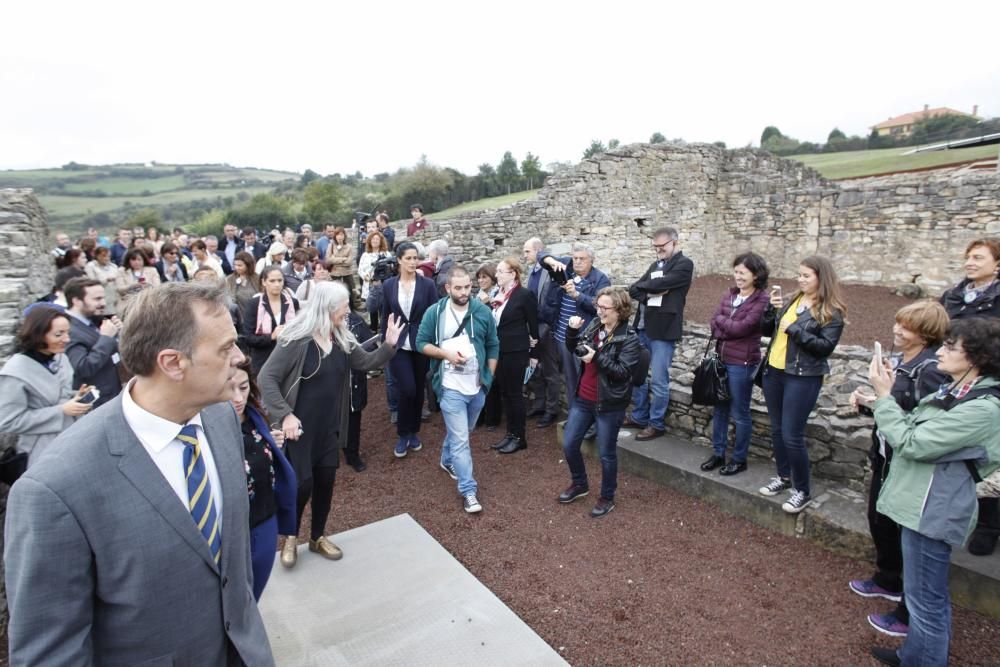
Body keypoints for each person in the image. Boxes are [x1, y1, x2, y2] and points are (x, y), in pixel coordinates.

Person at [4, 281, 274, 665]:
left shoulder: (219, 416)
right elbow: (50, 654)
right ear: (172, 363)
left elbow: (232, 565)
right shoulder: (54, 489)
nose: (239, 358)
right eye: (226, 348)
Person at [867, 317, 1000, 667]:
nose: (939, 351)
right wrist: (886, 398)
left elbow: (911, 442)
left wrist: (883, 397)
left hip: (934, 507)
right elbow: (913, 422)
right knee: (918, 591)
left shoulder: (983, 409)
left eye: (949, 347)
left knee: (927, 601)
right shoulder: (959, 391)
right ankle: (913, 654)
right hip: (923, 502)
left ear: (975, 357)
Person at [261, 282, 400, 567]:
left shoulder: (341, 339)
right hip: (299, 431)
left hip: (329, 428)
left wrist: (389, 344)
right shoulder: (296, 340)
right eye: (344, 306)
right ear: (327, 308)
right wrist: (285, 414)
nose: (348, 311)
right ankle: (290, 537)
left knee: (325, 483)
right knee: (302, 486)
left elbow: (366, 362)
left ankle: (316, 537)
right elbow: (266, 379)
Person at [848, 301, 949, 640]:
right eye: (897, 323)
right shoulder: (901, 361)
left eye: (905, 327)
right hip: (885, 453)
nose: (896, 331)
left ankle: (906, 609)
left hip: (905, 461)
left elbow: (921, 422)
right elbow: (890, 407)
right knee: (879, 518)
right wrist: (869, 402)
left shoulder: (931, 370)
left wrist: (882, 398)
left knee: (904, 531)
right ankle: (887, 578)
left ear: (926, 334)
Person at [758, 256, 847, 513]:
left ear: (822, 278)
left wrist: (794, 329)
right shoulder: (792, 300)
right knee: (776, 430)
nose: (800, 279)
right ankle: (783, 478)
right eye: (799, 275)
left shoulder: (832, 311)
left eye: (806, 276)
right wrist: (770, 311)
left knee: (791, 435)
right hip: (774, 371)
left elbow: (824, 348)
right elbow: (766, 331)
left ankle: (802, 490)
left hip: (802, 376)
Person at [416, 266, 499, 513]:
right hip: (450, 386)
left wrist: (489, 378)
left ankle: (446, 458)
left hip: (477, 387)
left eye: (468, 287)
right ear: (448, 288)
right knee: (461, 440)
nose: (464, 292)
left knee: (463, 432)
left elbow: (493, 345)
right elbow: (421, 343)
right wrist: (446, 354)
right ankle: (469, 491)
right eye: (459, 288)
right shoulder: (436, 312)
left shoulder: (482, 311)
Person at [939, 237, 1000, 557]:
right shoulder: (954, 294)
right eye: (968, 257)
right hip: (953, 378)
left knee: (985, 454)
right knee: (954, 447)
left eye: (978, 257)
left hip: (989, 379)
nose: (970, 262)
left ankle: (990, 525)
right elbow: (937, 326)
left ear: (997, 264)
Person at [558, 286, 641, 518]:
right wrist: (572, 333)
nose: (600, 311)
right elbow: (575, 348)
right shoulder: (595, 324)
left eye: (605, 307)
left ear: (620, 310)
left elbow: (623, 372)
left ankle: (607, 497)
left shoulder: (630, 338)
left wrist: (596, 356)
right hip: (583, 398)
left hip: (609, 404)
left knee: (606, 454)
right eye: (598, 306)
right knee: (569, 444)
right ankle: (580, 484)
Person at [229, 357, 296, 601]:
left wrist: (270, 444)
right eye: (229, 388)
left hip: (265, 520)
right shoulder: (202, 425)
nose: (238, 397)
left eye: (244, 388)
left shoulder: (255, 415)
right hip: (234, 530)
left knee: (254, 597)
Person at [701, 252, 770, 475]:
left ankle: (739, 459)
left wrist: (724, 323)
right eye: (736, 271)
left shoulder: (762, 300)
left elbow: (743, 328)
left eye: (743, 272)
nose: (738, 276)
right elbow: (713, 323)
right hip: (722, 359)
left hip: (743, 362)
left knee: (740, 413)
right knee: (720, 409)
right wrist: (726, 323)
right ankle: (719, 453)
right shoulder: (729, 295)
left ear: (756, 275)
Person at [0, 308, 92, 467]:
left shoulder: (60, 357)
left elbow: (58, 395)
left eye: (67, 332)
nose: (67, 339)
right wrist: (61, 411)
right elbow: (9, 421)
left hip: (73, 442)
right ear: (38, 334)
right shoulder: (14, 372)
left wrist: (77, 397)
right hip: (41, 453)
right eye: (59, 334)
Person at [627, 227, 694, 441]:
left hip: (663, 331)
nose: (658, 250)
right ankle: (639, 416)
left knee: (658, 380)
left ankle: (656, 424)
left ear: (674, 242)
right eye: (655, 246)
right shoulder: (654, 265)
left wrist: (647, 287)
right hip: (643, 328)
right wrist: (649, 292)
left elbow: (663, 283)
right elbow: (633, 289)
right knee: (637, 376)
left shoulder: (684, 264)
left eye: (662, 246)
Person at [538, 243, 611, 422]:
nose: (577, 262)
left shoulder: (600, 279)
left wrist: (577, 295)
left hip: (584, 340)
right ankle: (575, 417)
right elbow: (541, 255)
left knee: (586, 381)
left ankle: (591, 420)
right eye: (575, 258)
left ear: (591, 261)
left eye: (582, 259)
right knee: (570, 379)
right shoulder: (567, 267)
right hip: (562, 337)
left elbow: (600, 308)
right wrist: (549, 260)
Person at [380, 242, 439, 458]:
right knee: (407, 389)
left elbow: (435, 314)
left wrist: (434, 341)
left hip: (421, 343)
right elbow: (386, 315)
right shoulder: (388, 285)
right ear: (399, 260)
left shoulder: (427, 285)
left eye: (416, 258)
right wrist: (384, 342)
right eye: (409, 258)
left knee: (418, 387)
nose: (413, 262)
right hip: (398, 344)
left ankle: (414, 431)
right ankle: (403, 433)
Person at [489, 257, 539, 454]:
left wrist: (534, 353)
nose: (497, 274)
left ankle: (520, 438)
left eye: (501, 271)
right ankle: (510, 434)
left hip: (516, 351)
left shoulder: (524, 295)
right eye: (497, 271)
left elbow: (534, 326)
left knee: (515, 394)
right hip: (500, 351)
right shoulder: (498, 294)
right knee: (505, 394)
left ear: (513, 274)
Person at [63, 277, 123, 407]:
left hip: (111, 395)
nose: (103, 303)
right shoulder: (68, 329)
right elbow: (82, 368)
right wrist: (106, 338)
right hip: (95, 403)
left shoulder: (95, 320)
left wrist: (117, 333)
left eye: (103, 298)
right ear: (77, 301)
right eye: (97, 299)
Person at [522, 238, 560, 428]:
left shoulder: (550, 270)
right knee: (535, 368)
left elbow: (553, 300)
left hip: (548, 326)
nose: (524, 255)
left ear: (538, 251)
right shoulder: (531, 271)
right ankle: (539, 404)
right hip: (533, 326)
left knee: (551, 371)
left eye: (527, 251)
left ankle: (552, 411)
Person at [244, 265, 298, 373]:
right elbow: (248, 338)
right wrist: (271, 336)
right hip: (263, 362)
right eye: (272, 281)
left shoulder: (293, 303)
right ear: (264, 282)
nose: (277, 284)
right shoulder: (254, 304)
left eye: (279, 280)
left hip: (288, 360)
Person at [344, 312, 377, 472]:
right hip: (332, 380)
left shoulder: (355, 320)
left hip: (354, 378)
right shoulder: (320, 322)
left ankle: (352, 454)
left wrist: (360, 349)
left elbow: (370, 344)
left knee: (354, 416)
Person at [474, 263, 502, 431]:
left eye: (485, 277)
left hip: (493, 341)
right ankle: (479, 414)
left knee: (491, 379)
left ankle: (493, 417)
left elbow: (497, 316)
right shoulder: (478, 295)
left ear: (492, 278)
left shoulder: (497, 294)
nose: (481, 280)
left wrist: (489, 303)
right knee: (478, 378)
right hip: (479, 340)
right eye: (479, 277)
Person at [358, 230, 393, 332]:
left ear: (381, 241)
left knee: (384, 307)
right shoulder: (365, 255)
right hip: (371, 284)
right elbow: (360, 270)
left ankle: (383, 328)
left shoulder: (386, 254)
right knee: (372, 308)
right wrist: (369, 278)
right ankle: (373, 328)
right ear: (369, 241)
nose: (375, 241)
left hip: (384, 284)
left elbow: (391, 267)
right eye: (373, 239)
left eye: (377, 239)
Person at [85, 245, 120, 314]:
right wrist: (106, 280)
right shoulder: (91, 266)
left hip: (113, 298)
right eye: (104, 256)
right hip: (100, 298)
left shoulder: (114, 266)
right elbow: (91, 281)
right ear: (97, 256)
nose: (106, 258)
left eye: (108, 256)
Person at [325, 226, 356, 301]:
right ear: (335, 236)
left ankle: (351, 309)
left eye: (342, 234)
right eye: (338, 234)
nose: (340, 237)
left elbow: (349, 262)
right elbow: (328, 260)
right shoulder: (331, 246)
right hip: (335, 273)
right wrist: (343, 259)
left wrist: (335, 259)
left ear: (344, 236)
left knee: (351, 292)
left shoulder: (349, 247)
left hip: (347, 273)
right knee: (336, 293)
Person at [226, 250, 261, 315]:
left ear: (248, 265)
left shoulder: (257, 279)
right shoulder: (230, 279)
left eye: (240, 265)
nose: (237, 268)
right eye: (235, 265)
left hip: (255, 314)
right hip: (237, 316)